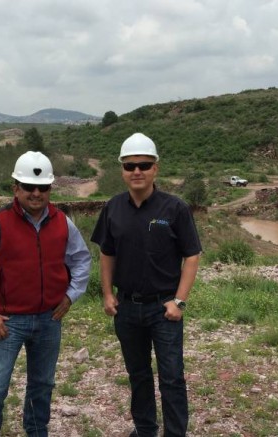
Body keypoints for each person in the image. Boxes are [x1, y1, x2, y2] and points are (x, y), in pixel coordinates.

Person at [0, 151, 91, 437]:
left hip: (49, 319)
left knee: (42, 384)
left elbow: (81, 260)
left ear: (50, 189)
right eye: (28, 187)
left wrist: (71, 295)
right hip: (8, 323)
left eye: (42, 187)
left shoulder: (62, 222)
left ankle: (36, 432)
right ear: (15, 188)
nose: (36, 193)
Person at [91, 133, 202, 437]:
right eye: (130, 166)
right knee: (138, 375)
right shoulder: (112, 208)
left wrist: (179, 301)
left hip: (163, 308)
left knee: (171, 378)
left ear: (156, 168)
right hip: (127, 308)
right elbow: (106, 253)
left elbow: (192, 255)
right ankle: (145, 430)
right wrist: (107, 294)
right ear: (122, 170)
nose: (136, 171)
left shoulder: (174, 208)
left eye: (143, 164)